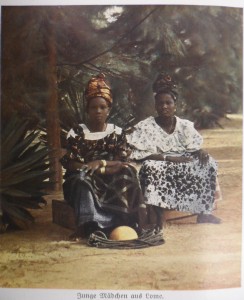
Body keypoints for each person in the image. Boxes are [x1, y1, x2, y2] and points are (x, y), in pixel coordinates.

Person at [126, 73, 221, 228]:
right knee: (150, 167)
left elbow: (192, 147)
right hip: (159, 161)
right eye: (160, 103)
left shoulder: (184, 125)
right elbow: (140, 154)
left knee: (208, 162)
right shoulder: (146, 126)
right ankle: (157, 215)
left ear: (174, 105)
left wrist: (200, 151)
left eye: (168, 103)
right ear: (155, 105)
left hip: (181, 159)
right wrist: (168, 158)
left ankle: (204, 213)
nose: (164, 106)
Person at [60, 73, 147, 240]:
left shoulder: (117, 132)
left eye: (102, 107)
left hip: (110, 175)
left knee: (128, 172)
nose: (98, 111)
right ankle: (89, 225)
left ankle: (125, 221)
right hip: (84, 175)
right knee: (81, 179)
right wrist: (89, 168)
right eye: (94, 107)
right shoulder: (77, 133)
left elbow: (122, 161)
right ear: (87, 109)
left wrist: (100, 163)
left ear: (109, 109)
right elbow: (71, 164)